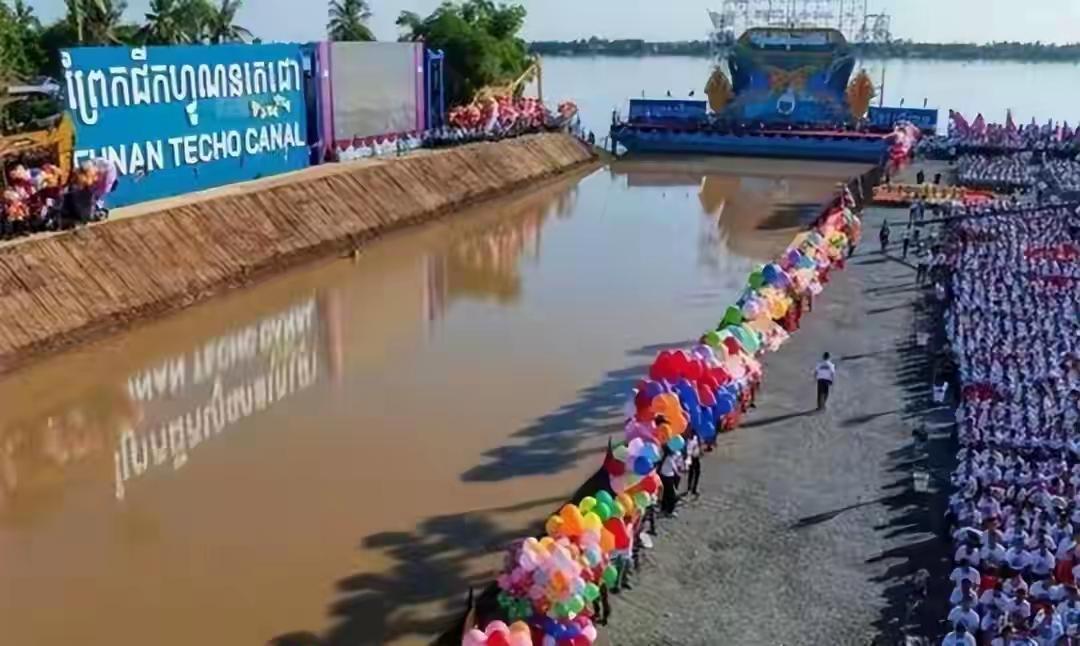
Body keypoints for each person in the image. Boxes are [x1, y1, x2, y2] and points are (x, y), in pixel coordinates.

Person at [658, 446, 679, 517]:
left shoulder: (663, 458)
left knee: (665, 494)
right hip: (669, 477)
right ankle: (670, 511)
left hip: (663, 477)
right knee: (671, 495)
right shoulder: (669, 459)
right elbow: (675, 469)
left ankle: (663, 509)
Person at [684, 431, 702, 497]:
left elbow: (699, 445)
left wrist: (699, 449)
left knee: (697, 473)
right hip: (691, 458)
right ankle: (689, 488)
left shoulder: (696, 437)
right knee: (691, 473)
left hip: (696, 457)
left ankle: (694, 488)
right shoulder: (687, 441)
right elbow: (687, 451)